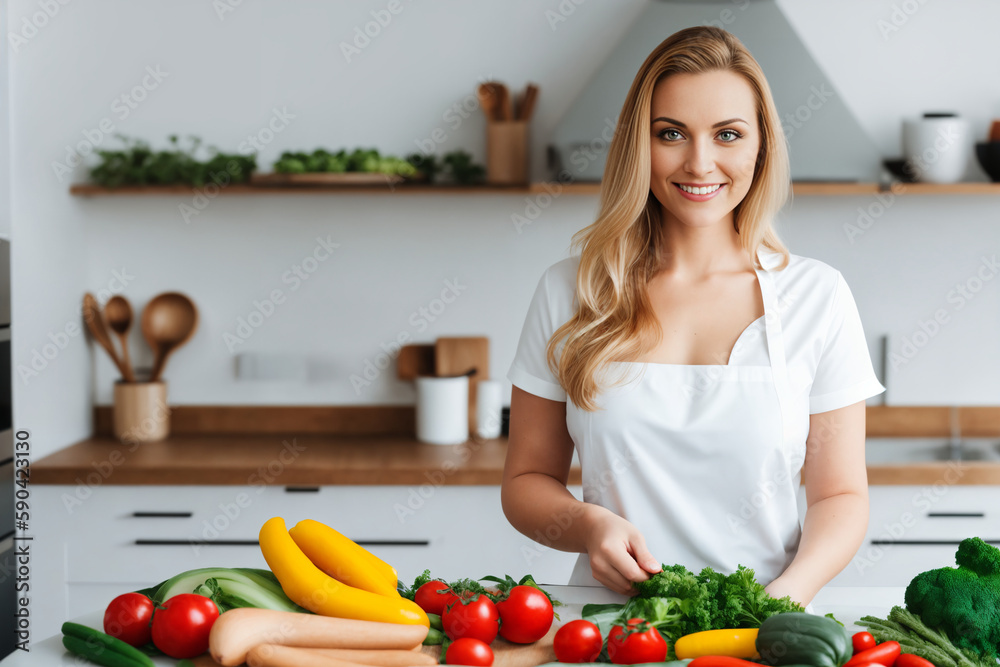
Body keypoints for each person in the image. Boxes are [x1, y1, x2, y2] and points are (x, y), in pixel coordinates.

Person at [501, 25, 885, 609]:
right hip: (610, 630)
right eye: (671, 133)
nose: (699, 162)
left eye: (728, 134)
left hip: (760, 625)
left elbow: (840, 495)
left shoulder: (818, 296)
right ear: (639, 145)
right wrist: (588, 526)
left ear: (761, 145)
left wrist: (788, 595)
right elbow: (526, 481)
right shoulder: (573, 290)